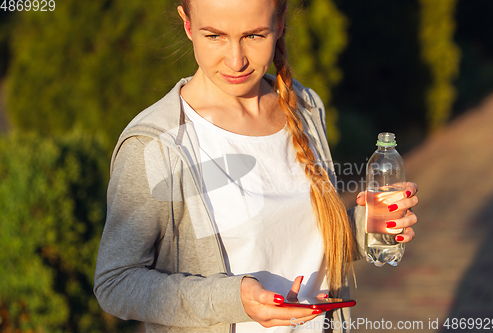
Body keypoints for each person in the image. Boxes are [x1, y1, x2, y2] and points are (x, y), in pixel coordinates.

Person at [93, 0, 419, 332]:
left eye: (254, 35)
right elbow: (116, 283)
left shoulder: (304, 107)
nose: (236, 60)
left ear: (279, 24)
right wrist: (233, 299)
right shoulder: (157, 144)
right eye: (214, 36)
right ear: (188, 24)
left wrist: (371, 228)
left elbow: (302, 242)